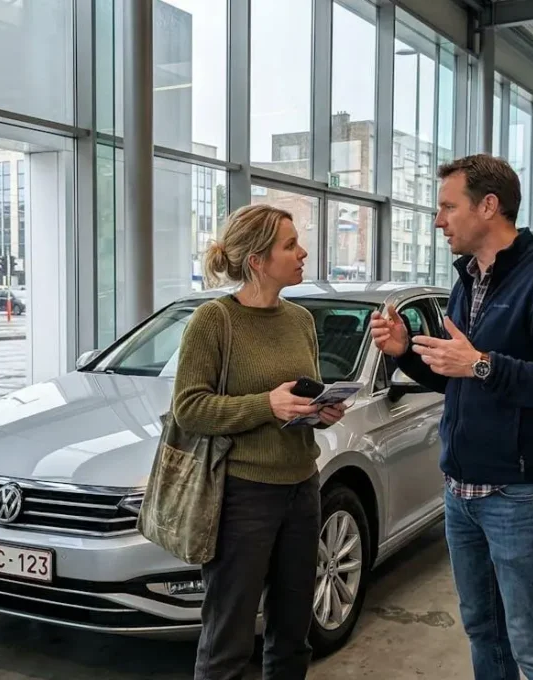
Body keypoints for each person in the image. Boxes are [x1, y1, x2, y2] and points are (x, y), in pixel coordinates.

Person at [368, 154, 533, 680]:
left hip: (520, 493)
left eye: (448, 207)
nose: (438, 220)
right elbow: (461, 379)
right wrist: (405, 352)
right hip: (461, 490)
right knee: (482, 631)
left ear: (488, 206)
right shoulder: (470, 281)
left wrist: (484, 364)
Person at [172, 203, 346, 680]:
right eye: (290, 246)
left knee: (293, 635)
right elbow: (190, 409)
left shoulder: (300, 320)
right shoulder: (214, 322)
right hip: (243, 497)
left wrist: (322, 413)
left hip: (302, 487)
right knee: (227, 640)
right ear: (257, 260)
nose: (302, 252)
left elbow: (301, 400)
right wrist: (264, 406)